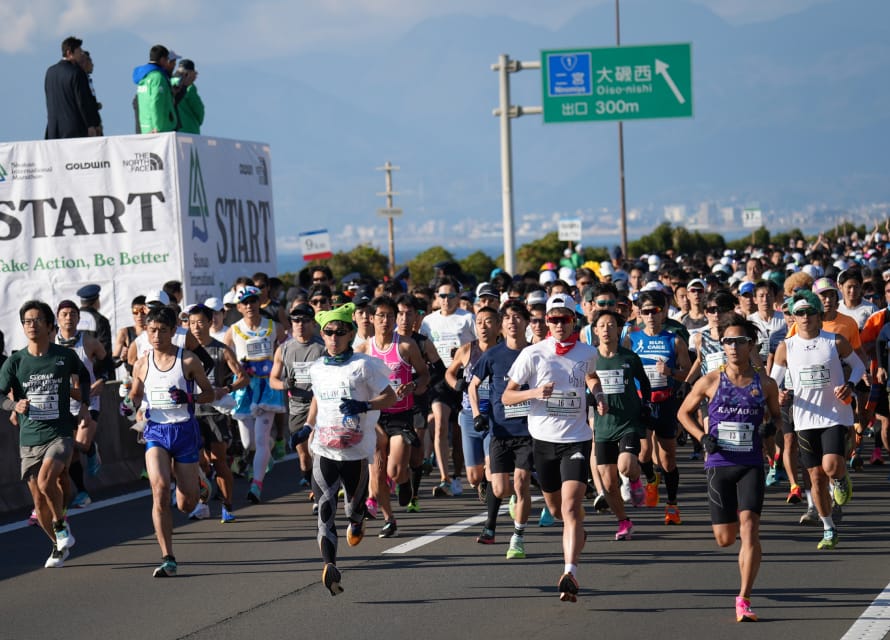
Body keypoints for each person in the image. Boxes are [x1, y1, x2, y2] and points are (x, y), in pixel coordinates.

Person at [502, 293, 607, 602]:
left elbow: (591, 376)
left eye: (564, 319)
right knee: (556, 510)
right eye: (553, 319)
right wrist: (534, 392)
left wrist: (598, 395)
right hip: (543, 441)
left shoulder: (587, 351)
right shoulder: (534, 354)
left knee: (572, 506)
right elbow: (507, 396)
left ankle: (570, 572)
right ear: (546, 322)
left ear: (573, 321)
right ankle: (575, 533)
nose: (559, 324)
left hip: (576, 438)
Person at [679, 315, 782, 622]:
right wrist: (702, 437)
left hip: (750, 462)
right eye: (727, 341)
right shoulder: (711, 379)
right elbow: (683, 413)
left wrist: (770, 430)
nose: (733, 347)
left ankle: (744, 598)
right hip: (719, 463)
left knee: (750, 528)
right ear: (721, 346)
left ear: (752, 345)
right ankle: (740, 542)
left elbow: (777, 416)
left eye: (739, 341)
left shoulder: (765, 383)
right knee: (726, 538)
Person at [301, 303, 397, 595]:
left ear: (350, 333)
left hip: (356, 452)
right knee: (325, 509)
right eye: (328, 332)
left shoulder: (363, 364)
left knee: (352, 509)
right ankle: (331, 565)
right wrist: (307, 426)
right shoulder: (317, 368)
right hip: (325, 450)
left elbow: (390, 397)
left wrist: (364, 405)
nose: (333, 337)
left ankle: (357, 519)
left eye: (340, 332)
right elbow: (317, 398)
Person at [122, 306, 222, 576]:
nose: (156, 336)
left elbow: (210, 393)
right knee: (160, 489)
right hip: (156, 431)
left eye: (162, 331)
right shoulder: (142, 362)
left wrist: (189, 398)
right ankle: (168, 557)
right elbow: (135, 393)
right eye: (152, 330)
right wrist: (128, 404)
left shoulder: (188, 360)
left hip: (185, 431)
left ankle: (198, 481)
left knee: (186, 504)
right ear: (146, 331)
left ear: (172, 332)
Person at [0, 301, 94, 568]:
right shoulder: (15, 362)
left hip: (60, 433)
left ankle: (61, 526)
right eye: (27, 321)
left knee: (46, 480)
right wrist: (13, 405)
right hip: (29, 439)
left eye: (37, 320)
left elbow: (84, 378)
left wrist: (84, 404)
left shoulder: (63, 356)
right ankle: (57, 544)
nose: (32, 325)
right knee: (38, 499)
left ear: (49, 325)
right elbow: (0, 394)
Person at [770, 290, 861, 550]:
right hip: (804, 419)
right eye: (799, 313)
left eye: (810, 311)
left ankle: (842, 479)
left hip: (834, 415)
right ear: (793, 317)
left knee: (831, 466)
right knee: (816, 477)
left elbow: (858, 366)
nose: (805, 316)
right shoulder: (786, 346)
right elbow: (774, 382)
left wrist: (851, 385)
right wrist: (780, 394)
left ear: (818, 315)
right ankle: (828, 527)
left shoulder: (834, 341)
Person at [358, 296, 429, 536]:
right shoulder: (365, 348)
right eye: (381, 316)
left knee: (394, 472)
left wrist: (413, 386)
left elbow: (424, 375)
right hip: (376, 416)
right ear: (371, 318)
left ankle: (404, 480)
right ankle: (389, 518)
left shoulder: (406, 346)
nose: (386, 320)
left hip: (401, 415)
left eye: (390, 316)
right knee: (376, 470)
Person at [470, 301, 538, 552]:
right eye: (507, 317)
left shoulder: (536, 352)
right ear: (503, 324)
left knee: (521, 482)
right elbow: (472, 386)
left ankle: (517, 537)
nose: (512, 321)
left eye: (517, 317)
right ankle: (513, 503)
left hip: (528, 432)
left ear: (526, 322)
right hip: (500, 431)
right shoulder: (493, 355)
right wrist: (478, 414)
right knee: (499, 488)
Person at [625, 290, 692, 523]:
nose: (651, 316)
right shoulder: (631, 339)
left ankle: (672, 505)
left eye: (655, 311)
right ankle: (651, 479)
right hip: (642, 403)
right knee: (643, 454)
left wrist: (671, 372)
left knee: (668, 459)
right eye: (646, 311)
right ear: (639, 314)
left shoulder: (674, 340)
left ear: (663, 312)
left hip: (665, 403)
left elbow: (688, 373)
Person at [591, 309, 650, 541]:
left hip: (629, 422)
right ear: (595, 331)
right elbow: (584, 385)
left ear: (618, 330)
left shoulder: (629, 357)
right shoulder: (591, 359)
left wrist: (646, 404)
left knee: (625, 465)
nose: (606, 329)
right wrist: (591, 399)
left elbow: (644, 383)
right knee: (608, 482)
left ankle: (635, 480)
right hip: (603, 426)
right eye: (602, 325)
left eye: (611, 325)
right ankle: (623, 521)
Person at [224, 286, 287, 503]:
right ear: (239, 307)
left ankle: (256, 485)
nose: (249, 306)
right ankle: (268, 448)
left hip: (267, 388)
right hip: (244, 388)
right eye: (245, 303)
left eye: (253, 301)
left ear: (259, 302)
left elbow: (285, 347)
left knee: (259, 440)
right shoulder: (233, 330)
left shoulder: (274, 327)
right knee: (248, 442)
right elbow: (222, 353)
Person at [187, 304, 246, 523]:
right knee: (196, 461)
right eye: (191, 323)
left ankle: (226, 505)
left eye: (200, 322)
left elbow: (243, 377)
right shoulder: (184, 352)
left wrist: (226, 389)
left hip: (215, 414)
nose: (195, 327)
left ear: (211, 321)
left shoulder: (221, 349)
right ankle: (202, 504)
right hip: (191, 413)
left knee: (218, 460)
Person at [420, 276, 476, 497]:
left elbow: (479, 346)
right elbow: (422, 348)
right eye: (442, 296)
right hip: (438, 380)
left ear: (458, 296)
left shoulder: (467, 319)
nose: (446, 300)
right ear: (436, 298)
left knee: (459, 430)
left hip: (462, 378)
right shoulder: (428, 321)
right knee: (440, 425)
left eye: (450, 295)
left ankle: (459, 475)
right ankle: (444, 477)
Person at [269, 302, 325, 498]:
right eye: (296, 320)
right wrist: (285, 384)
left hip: (319, 407)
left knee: (315, 450)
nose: (300, 324)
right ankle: (311, 484)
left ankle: (318, 495)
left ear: (313, 323)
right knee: (304, 457)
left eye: (305, 321)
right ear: (291, 323)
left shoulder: (322, 347)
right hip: (297, 407)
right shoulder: (283, 349)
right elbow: (273, 380)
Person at [55, 301, 105, 508]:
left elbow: (106, 362)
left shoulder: (90, 341)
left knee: (82, 445)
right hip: (64, 405)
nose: (69, 318)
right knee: (71, 451)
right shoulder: (51, 343)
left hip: (89, 400)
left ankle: (92, 449)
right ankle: (82, 492)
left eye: (73, 314)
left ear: (78, 318)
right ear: (57, 318)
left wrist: (102, 379)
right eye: (64, 314)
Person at [44, 36, 100, 139]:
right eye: (79, 52)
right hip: (75, 130)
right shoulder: (77, 73)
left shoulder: (50, 72)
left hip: (53, 131)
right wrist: (90, 125)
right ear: (69, 53)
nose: (81, 55)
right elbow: (82, 101)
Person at [133, 44, 178, 133]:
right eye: (167, 60)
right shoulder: (157, 77)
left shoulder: (144, 76)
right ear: (162, 60)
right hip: (158, 129)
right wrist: (157, 127)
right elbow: (156, 102)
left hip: (145, 125)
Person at [172, 59, 204, 134]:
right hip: (189, 130)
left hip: (173, 129)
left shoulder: (169, 82)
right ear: (189, 73)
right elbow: (199, 112)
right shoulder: (190, 88)